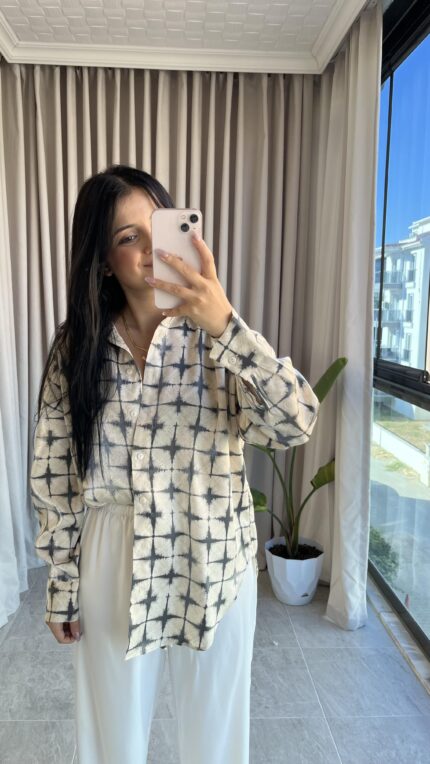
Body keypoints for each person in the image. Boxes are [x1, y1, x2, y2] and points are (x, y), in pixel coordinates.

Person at [30, 164, 320, 764]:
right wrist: (62, 583)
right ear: (102, 261)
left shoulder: (217, 338)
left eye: (156, 228)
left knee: (216, 743)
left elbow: (296, 424)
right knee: (112, 741)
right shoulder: (77, 347)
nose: (148, 249)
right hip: (114, 550)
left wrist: (227, 327)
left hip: (212, 550)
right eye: (126, 237)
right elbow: (55, 472)